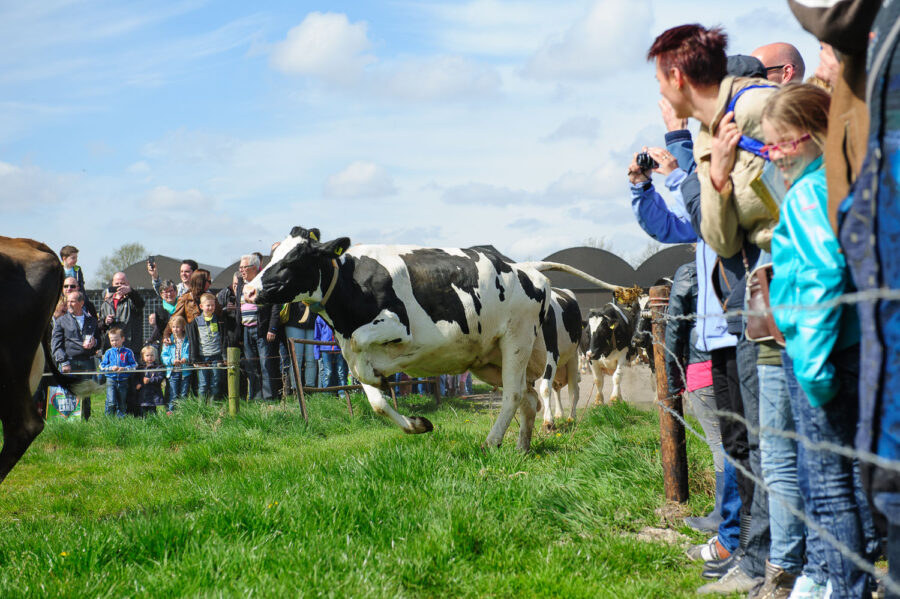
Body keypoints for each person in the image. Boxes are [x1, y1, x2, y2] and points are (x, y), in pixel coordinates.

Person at [647, 28, 775, 593]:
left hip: (768, 302)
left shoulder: (748, 116)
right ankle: (754, 555)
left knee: (772, 445)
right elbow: (712, 231)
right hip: (734, 309)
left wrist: (698, 166)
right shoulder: (709, 133)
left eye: (658, 78)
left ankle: (779, 564)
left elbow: (730, 224)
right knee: (748, 442)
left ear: (677, 78)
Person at [765, 82, 878, 599]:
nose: (775, 156)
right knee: (847, 483)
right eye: (769, 145)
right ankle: (840, 583)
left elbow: (821, 275)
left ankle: (846, 588)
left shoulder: (810, 193)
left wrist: (811, 367)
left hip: (820, 351)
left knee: (829, 490)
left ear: (814, 136)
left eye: (784, 143)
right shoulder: (842, 178)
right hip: (850, 346)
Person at [234, 254, 280, 400]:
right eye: (240, 267)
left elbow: (275, 306)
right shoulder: (241, 283)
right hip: (246, 329)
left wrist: (272, 328)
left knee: (265, 364)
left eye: (244, 267)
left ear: (253, 268)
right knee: (251, 366)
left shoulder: (263, 281)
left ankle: (269, 398)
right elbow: (238, 307)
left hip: (262, 329)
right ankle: (256, 397)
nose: (241, 270)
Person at [51, 290, 99, 420]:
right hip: (69, 362)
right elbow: (56, 345)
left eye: (72, 301)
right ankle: (68, 421)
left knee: (86, 393)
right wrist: (63, 361)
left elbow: (100, 341)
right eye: (68, 301)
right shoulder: (61, 321)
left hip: (87, 362)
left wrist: (95, 343)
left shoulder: (92, 321)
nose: (69, 304)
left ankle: (86, 420)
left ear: (81, 303)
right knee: (69, 393)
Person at [188, 293, 226, 400]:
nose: (210, 308)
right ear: (201, 306)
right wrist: (195, 359)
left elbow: (223, 339)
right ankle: (202, 409)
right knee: (203, 385)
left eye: (212, 305)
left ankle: (213, 407)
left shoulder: (219, 320)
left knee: (215, 384)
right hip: (202, 358)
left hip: (216, 356)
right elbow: (193, 341)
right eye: (208, 305)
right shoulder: (196, 322)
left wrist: (224, 357)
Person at [98, 272, 145, 358]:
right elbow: (99, 325)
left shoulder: (132, 300)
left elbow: (140, 304)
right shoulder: (106, 303)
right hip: (111, 349)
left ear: (128, 284)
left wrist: (131, 292)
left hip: (131, 348)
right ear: (112, 284)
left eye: (122, 283)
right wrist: (105, 322)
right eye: (117, 284)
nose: (119, 286)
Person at [99, 327, 137, 417]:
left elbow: (134, 365)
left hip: (123, 380)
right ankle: (108, 419)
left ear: (123, 339)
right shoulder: (108, 352)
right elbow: (102, 366)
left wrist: (124, 369)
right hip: (111, 380)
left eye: (116, 340)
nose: (114, 342)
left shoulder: (128, 352)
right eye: (112, 340)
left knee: (122, 401)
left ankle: (121, 420)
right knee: (111, 401)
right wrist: (111, 368)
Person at [283, 302, 317, 391]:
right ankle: (295, 389)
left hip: (313, 323)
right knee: (296, 358)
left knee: (312, 359)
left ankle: (310, 388)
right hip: (294, 322)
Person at [161, 315, 191, 412]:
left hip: (185, 372)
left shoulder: (187, 340)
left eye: (178, 327)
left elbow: (189, 352)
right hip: (173, 372)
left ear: (182, 328)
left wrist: (185, 358)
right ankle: (171, 412)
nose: (175, 329)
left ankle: (182, 413)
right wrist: (171, 361)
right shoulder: (168, 341)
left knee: (183, 394)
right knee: (173, 394)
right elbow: (164, 356)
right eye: (173, 327)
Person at [314, 315, 348, 398]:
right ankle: (327, 395)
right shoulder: (320, 317)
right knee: (328, 373)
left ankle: (343, 395)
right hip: (325, 349)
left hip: (340, 348)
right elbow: (317, 336)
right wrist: (316, 353)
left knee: (341, 373)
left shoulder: (340, 314)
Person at [134, 346, 165, 417]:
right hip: (143, 393)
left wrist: (150, 380)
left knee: (152, 410)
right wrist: (138, 383)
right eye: (147, 355)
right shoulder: (140, 368)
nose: (150, 357)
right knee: (142, 410)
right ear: (143, 357)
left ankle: (154, 422)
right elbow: (136, 377)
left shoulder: (158, 367)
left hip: (154, 393)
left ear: (155, 356)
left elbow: (160, 377)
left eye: (152, 355)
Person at [148, 279, 178, 347]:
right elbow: (158, 330)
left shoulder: (182, 306)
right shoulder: (159, 311)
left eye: (171, 291)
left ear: (176, 292)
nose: (169, 294)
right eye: (166, 292)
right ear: (161, 294)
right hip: (167, 345)